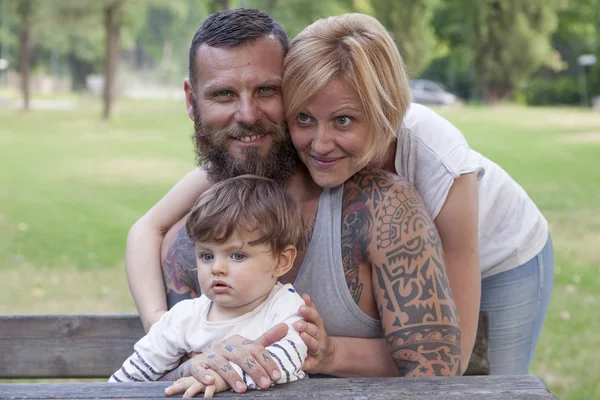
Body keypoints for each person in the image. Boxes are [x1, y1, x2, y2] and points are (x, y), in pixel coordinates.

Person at [126, 8, 462, 394]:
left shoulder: (385, 209)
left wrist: (330, 353)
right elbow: (166, 365)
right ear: (192, 100)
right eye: (223, 94)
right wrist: (195, 364)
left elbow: (437, 370)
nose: (248, 115)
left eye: (267, 90)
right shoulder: (196, 236)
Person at [281, 13, 553, 376]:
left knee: (489, 384)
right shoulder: (303, 140)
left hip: (502, 258)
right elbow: (208, 176)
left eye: (343, 120)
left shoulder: (440, 163)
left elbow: (450, 362)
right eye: (303, 118)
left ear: (385, 112)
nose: (320, 144)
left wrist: (335, 353)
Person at [111, 175, 307, 398]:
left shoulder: (285, 307)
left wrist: (225, 376)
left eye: (237, 255)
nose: (217, 268)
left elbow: (288, 357)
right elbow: (131, 375)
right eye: (206, 255)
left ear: (281, 261)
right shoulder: (184, 317)